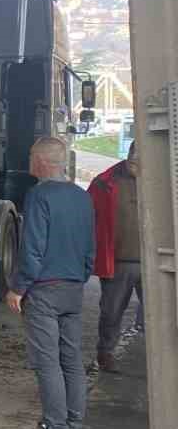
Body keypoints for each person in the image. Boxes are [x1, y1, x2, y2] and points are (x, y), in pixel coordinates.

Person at [5, 136, 96, 429]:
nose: (29, 161)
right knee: (71, 359)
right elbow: (89, 247)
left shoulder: (39, 195)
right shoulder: (81, 196)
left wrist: (19, 287)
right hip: (73, 287)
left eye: (31, 155)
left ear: (42, 161)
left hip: (45, 289)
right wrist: (80, 276)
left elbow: (33, 246)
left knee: (47, 362)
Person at [88, 142, 143, 374]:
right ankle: (106, 352)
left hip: (155, 263)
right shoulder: (104, 182)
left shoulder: (162, 181)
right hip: (117, 261)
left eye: (139, 159)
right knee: (111, 311)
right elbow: (87, 218)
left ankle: (164, 360)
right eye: (132, 155)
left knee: (165, 313)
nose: (134, 161)